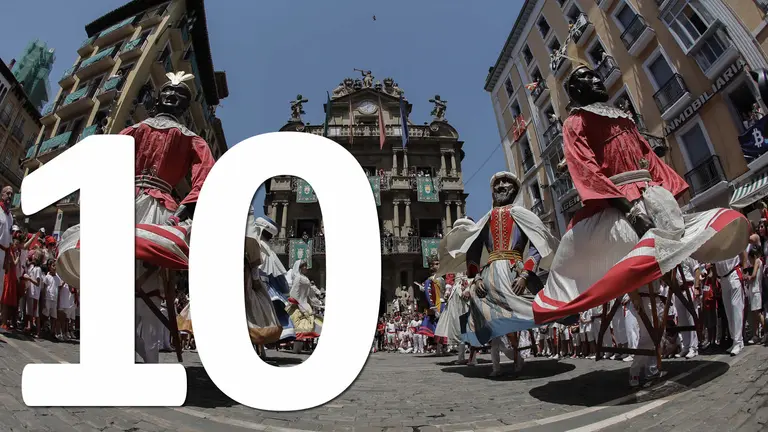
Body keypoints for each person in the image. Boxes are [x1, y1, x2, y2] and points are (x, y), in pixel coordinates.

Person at [530, 65, 749, 385]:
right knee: (645, 282)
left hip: (653, 200)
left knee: (657, 282)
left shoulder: (623, 118)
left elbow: (650, 160)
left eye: (594, 74)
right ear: (575, 93)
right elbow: (588, 170)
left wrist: (667, 197)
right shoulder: (575, 122)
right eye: (584, 79)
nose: (595, 79)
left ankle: (651, 350)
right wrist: (630, 210)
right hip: (617, 207)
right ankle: (645, 355)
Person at [57, 71, 216, 363]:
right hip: (123, 201)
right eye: (167, 91)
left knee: (149, 277)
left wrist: (184, 211)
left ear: (184, 106)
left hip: (160, 207)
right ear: (158, 97)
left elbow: (207, 177)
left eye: (180, 96)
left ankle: (146, 352)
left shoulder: (192, 139)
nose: (171, 97)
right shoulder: (134, 130)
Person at [438, 171, 562, 372]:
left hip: (515, 271)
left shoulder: (523, 214)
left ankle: (515, 358)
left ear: (515, 189)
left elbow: (537, 245)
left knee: (520, 310)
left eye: (507, 182)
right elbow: (474, 250)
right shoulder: (486, 219)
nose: (501, 186)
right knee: (488, 314)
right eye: (497, 183)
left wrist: (525, 275)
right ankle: (501, 361)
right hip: (490, 274)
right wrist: (476, 277)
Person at [714, 251, 748, 355]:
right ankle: (736, 340)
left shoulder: (730, 238)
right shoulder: (714, 246)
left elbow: (743, 251)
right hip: (723, 279)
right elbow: (713, 266)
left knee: (736, 307)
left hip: (734, 274)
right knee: (728, 311)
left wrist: (745, 270)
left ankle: (738, 341)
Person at [745, 247, 766, 344]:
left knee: (758, 313)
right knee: (754, 314)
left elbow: (753, 276)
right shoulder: (757, 262)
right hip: (753, 290)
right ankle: (756, 334)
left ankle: (766, 332)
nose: (749, 261)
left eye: (750, 258)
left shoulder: (757, 261)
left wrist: (747, 277)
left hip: (756, 290)